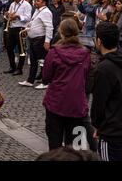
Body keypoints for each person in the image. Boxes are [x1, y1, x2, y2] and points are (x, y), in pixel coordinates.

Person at [91, 22, 122, 161]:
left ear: (99, 41)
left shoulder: (104, 68)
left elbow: (99, 103)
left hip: (112, 130)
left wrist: (98, 126)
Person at [42, 19, 91, 150]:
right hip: (76, 103)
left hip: (56, 102)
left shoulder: (54, 53)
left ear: (61, 33)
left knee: (54, 143)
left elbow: (45, 77)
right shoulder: (86, 54)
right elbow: (88, 77)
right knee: (73, 147)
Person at [19, 0, 53, 89]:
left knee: (42, 61)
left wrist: (47, 41)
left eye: (38, 1)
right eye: (36, 0)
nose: (35, 2)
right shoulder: (37, 10)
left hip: (40, 39)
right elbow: (34, 22)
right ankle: (30, 80)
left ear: (44, 3)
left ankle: (45, 82)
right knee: (33, 61)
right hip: (33, 39)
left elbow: (49, 27)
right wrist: (28, 28)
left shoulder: (46, 12)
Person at [5, 0, 32, 76]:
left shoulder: (26, 5)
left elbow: (28, 18)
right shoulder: (13, 4)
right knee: (9, 48)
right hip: (12, 28)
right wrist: (8, 15)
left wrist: (18, 16)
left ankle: (19, 69)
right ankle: (12, 66)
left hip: (21, 28)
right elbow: (10, 14)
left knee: (21, 50)